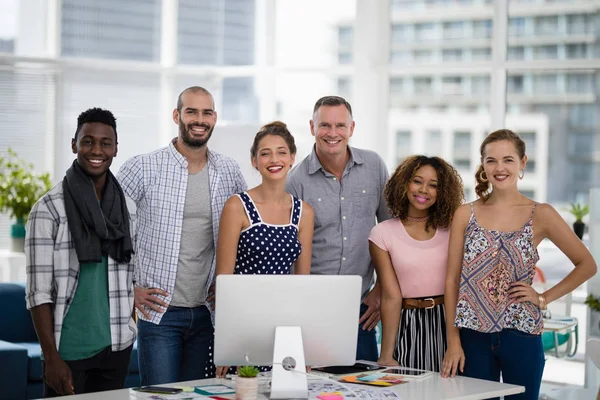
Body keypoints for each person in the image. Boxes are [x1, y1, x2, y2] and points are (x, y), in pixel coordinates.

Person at [441, 129, 597, 400]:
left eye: (508, 160)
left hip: (521, 336)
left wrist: (543, 298)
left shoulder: (541, 214)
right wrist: (453, 340)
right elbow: (452, 280)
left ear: (522, 163)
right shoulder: (465, 213)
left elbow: (587, 264)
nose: (499, 168)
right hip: (472, 337)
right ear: (483, 165)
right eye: (491, 160)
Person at [117, 86, 247, 385]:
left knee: (199, 395)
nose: (199, 119)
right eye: (191, 111)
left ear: (214, 118)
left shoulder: (228, 170)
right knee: (162, 396)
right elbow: (112, 232)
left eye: (206, 112)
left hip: (208, 313)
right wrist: (129, 289)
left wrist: (231, 288)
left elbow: (241, 234)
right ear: (177, 115)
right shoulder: (143, 167)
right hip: (161, 313)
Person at [25, 108, 136, 397]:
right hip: (68, 350)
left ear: (115, 149)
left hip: (116, 346)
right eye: (87, 141)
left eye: (105, 143)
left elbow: (129, 272)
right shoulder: (48, 209)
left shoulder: (126, 208)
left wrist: (130, 321)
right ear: (74, 145)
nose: (96, 150)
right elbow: (38, 292)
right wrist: (51, 357)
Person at [286, 95, 391, 361]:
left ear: (351, 129)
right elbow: (291, 252)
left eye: (340, 126)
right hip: (313, 309)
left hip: (361, 307)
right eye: (325, 126)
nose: (333, 133)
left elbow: (391, 232)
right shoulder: (295, 181)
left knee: (364, 387)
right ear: (312, 127)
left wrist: (380, 290)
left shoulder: (374, 166)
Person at [214, 121, 314, 377]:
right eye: (265, 153)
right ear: (254, 160)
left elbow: (302, 285)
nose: (274, 159)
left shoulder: (304, 212)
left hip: (283, 328)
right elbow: (224, 280)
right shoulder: (237, 206)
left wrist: (302, 345)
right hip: (243, 325)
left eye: (281, 152)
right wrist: (229, 341)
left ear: (292, 157)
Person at [369, 155, 463, 372]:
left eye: (434, 185)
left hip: (449, 322)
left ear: (443, 192)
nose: (424, 190)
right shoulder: (382, 233)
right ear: (404, 183)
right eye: (417, 181)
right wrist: (386, 354)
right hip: (406, 324)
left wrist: (454, 342)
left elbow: (459, 285)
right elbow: (391, 296)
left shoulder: (453, 230)